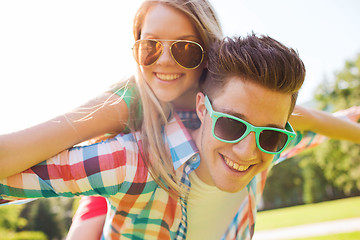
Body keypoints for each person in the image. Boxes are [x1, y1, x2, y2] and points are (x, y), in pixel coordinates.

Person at [1, 34, 360, 240]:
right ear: (202, 108)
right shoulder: (134, 164)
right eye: (233, 125)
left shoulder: (268, 150)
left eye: (270, 136)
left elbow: (314, 130)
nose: (248, 150)